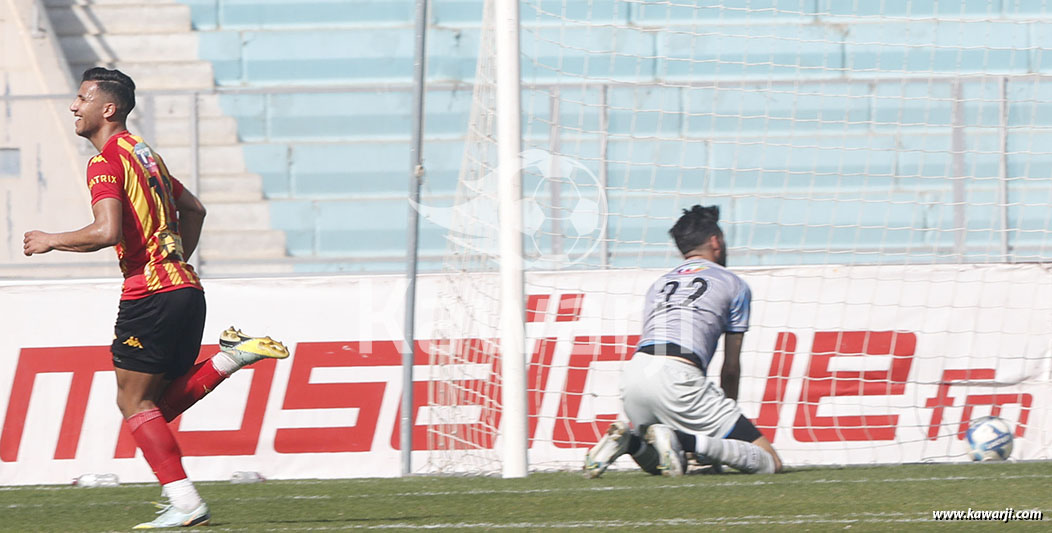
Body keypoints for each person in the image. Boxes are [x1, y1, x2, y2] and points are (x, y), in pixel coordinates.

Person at [23, 67, 289, 529]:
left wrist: (51, 239)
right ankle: (231, 358)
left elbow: (106, 231)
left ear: (108, 109)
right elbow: (196, 209)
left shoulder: (106, 160)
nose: (73, 105)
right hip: (186, 287)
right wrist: (175, 257)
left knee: (136, 406)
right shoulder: (148, 157)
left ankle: (186, 501)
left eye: (82, 98)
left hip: (151, 293)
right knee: (151, 408)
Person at [583, 205, 782, 478]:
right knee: (769, 461)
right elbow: (731, 366)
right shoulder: (733, 283)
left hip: (634, 377)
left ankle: (630, 442)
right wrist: (726, 420)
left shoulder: (659, 284)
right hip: (678, 377)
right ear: (716, 241)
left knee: (670, 462)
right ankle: (684, 439)